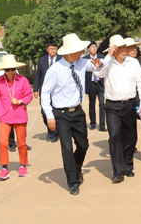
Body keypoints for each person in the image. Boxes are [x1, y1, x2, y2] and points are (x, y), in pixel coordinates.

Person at [41, 33, 102, 195]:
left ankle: (76, 167)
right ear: (68, 53)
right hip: (61, 114)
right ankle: (73, 181)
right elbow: (45, 93)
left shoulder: (81, 63)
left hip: (78, 112)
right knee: (67, 147)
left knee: (83, 145)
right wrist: (49, 116)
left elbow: (97, 66)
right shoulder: (55, 70)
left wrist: (100, 62)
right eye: (78, 50)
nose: (81, 52)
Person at [95, 35, 141, 183]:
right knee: (114, 136)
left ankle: (127, 165)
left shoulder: (133, 63)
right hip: (112, 106)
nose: (124, 50)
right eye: (120, 48)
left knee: (130, 137)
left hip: (130, 104)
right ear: (113, 49)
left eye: (125, 47)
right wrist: (108, 56)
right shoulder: (107, 63)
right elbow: (97, 73)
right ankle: (118, 171)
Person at [0, 55, 33, 180]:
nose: (10, 72)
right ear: (3, 70)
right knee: (3, 142)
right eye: (7, 69)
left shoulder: (23, 80)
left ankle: (23, 165)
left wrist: (20, 101)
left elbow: (29, 95)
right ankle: (4, 168)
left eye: (12, 69)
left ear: (16, 68)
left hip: (20, 115)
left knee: (21, 142)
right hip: (4, 116)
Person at [33, 41, 61, 142]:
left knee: (56, 112)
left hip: (58, 91)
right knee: (45, 112)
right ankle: (51, 131)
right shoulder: (42, 60)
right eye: (51, 49)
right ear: (47, 49)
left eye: (54, 49)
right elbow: (38, 75)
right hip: (45, 91)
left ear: (57, 49)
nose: (52, 50)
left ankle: (55, 133)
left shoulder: (61, 59)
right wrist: (35, 89)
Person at [83, 41, 106, 131]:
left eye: (95, 47)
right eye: (92, 47)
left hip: (100, 83)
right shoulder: (85, 59)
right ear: (88, 49)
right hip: (91, 83)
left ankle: (102, 125)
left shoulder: (101, 57)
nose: (94, 48)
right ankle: (93, 123)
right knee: (92, 103)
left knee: (102, 103)